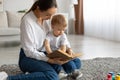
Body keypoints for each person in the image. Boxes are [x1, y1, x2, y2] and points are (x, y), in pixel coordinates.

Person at [0, 0, 69, 80]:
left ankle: (33, 74)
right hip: (28, 58)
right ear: (38, 8)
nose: (50, 18)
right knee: (52, 76)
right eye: (47, 15)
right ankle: (6, 78)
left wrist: (67, 48)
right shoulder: (27, 21)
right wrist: (50, 60)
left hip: (44, 54)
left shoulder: (48, 19)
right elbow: (29, 52)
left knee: (70, 64)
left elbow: (57, 36)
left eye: (52, 15)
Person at [43, 14, 82, 80]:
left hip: (61, 52)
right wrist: (50, 53)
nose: (61, 32)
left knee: (71, 61)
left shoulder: (63, 35)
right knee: (54, 63)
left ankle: (74, 71)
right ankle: (60, 72)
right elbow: (46, 44)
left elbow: (63, 46)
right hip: (52, 54)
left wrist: (62, 54)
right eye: (59, 29)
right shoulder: (49, 35)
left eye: (63, 30)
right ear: (52, 27)